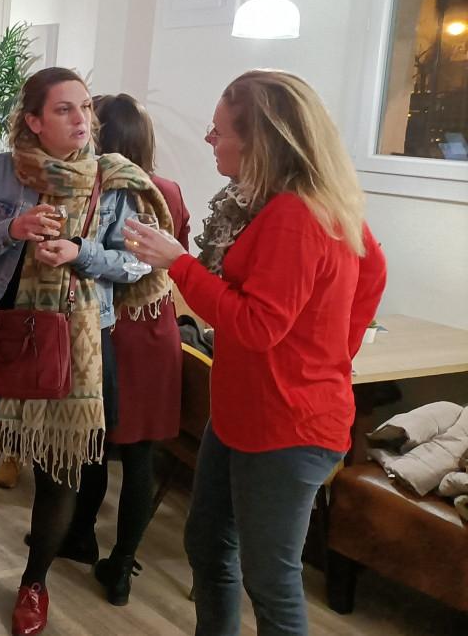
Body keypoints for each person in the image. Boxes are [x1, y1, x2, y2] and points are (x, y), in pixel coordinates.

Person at [0, 67, 173, 636]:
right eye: (64, 110)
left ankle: (34, 582)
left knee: (61, 473)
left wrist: (79, 252)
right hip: (7, 333)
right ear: (32, 121)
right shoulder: (1, 172)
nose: (81, 120)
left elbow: (136, 265)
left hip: (78, 343)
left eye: (84, 109)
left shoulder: (113, 180)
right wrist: (14, 230)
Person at [126, 70, 387, 636]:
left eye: (218, 131)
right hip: (248, 412)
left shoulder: (296, 215)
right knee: (209, 542)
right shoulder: (307, 203)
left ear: (259, 140)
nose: (209, 141)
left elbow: (254, 326)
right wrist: (330, 354)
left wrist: (179, 264)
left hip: (286, 424)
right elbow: (373, 273)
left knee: (270, 580)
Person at [59, 93, 190, 605]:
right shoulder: (169, 189)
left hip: (113, 326)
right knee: (140, 456)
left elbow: (91, 262)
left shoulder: (102, 189)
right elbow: (181, 258)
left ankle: (81, 534)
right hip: (158, 330)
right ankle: (121, 564)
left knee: (95, 438)